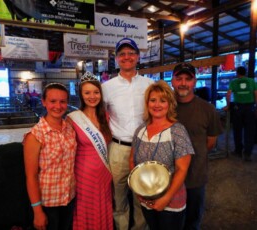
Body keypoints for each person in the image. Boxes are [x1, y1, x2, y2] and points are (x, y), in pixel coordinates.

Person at [102, 37, 154, 230]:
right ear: (116, 59)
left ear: (138, 57)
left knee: (142, 195)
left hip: (144, 147)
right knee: (118, 196)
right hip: (118, 149)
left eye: (131, 53)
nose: (127, 57)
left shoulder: (149, 84)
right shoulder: (107, 87)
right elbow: (97, 116)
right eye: (122, 54)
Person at [129, 80, 194, 230]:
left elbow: (182, 169)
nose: (157, 105)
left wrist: (166, 198)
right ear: (147, 103)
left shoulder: (177, 131)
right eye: (153, 100)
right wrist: (138, 189)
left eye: (162, 100)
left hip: (171, 200)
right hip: (146, 199)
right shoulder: (140, 130)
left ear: (170, 104)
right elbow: (132, 160)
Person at [171, 63, 223, 230]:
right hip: (168, 175)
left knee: (192, 221)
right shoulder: (164, 106)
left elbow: (211, 141)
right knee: (171, 220)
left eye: (188, 79)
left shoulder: (208, 109)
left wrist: (192, 157)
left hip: (195, 176)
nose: (183, 83)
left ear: (195, 81)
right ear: (172, 81)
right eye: (179, 79)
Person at [23, 83, 77, 230]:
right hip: (48, 203)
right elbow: (31, 176)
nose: (58, 106)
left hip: (69, 199)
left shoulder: (70, 129)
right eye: (53, 101)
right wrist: (37, 210)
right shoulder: (35, 135)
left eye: (62, 101)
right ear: (44, 102)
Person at [67, 71, 113, 230]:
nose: (92, 96)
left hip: (104, 174)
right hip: (83, 175)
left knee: (103, 207)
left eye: (96, 92)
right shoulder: (72, 118)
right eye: (87, 92)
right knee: (85, 211)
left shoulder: (106, 117)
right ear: (81, 95)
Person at [225, 66, 257, 161]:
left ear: (237, 73)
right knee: (249, 131)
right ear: (245, 72)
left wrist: (227, 105)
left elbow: (228, 94)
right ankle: (247, 154)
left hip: (238, 108)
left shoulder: (234, 82)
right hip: (250, 107)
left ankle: (238, 151)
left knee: (237, 130)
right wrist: (255, 105)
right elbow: (256, 93)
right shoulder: (252, 81)